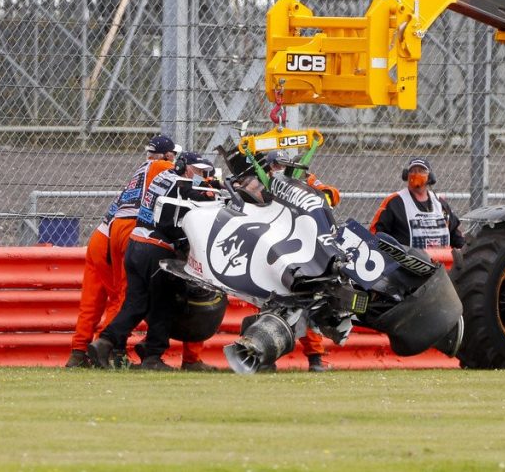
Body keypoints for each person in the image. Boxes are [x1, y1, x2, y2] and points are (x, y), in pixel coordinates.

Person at [87, 151, 220, 371]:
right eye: (198, 171)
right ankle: (152, 356)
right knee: (163, 304)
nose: (201, 176)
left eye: (205, 172)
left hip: (136, 245)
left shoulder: (163, 177)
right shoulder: (181, 184)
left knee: (136, 304)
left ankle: (104, 342)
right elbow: (200, 196)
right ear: (184, 166)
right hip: (155, 250)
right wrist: (215, 187)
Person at [64, 134, 182, 368]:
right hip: (128, 230)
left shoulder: (139, 171)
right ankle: (111, 351)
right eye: (174, 156)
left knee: (91, 301)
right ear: (168, 155)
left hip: (103, 232)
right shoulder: (164, 167)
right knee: (123, 296)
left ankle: (78, 352)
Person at [233, 149, 334, 372]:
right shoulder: (257, 182)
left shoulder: (304, 181)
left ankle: (315, 360)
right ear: (268, 167)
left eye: (283, 165)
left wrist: (323, 194)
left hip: (302, 250)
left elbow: (330, 195)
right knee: (267, 305)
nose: (279, 170)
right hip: (270, 250)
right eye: (275, 166)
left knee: (307, 306)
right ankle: (264, 357)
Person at [370, 157, 465, 249]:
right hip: (406, 264)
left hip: (442, 262)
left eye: (421, 171)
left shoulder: (440, 203)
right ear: (406, 175)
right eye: (413, 171)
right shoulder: (394, 202)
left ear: (430, 177)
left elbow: (455, 234)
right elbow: (375, 234)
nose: (416, 174)